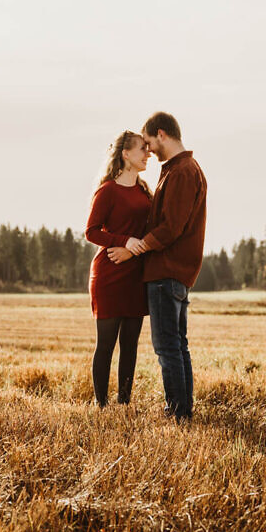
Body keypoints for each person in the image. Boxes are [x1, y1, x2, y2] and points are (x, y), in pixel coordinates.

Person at [108, 112, 206, 421]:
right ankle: (183, 410)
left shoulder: (181, 172)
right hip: (175, 271)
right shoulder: (182, 169)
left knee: (167, 347)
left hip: (167, 271)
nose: (148, 150)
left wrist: (135, 249)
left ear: (161, 134)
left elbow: (170, 228)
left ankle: (177, 412)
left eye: (149, 142)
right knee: (178, 345)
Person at [84, 131, 152, 407]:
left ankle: (124, 404)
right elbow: (91, 232)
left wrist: (133, 248)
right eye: (142, 149)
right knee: (106, 345)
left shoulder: (145, 191)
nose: (148, 154)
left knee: (130, 346)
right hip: (109, 274)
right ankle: (101, 405)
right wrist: (124, 242)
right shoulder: (108, 190)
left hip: (136, 276)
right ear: (125, 154)